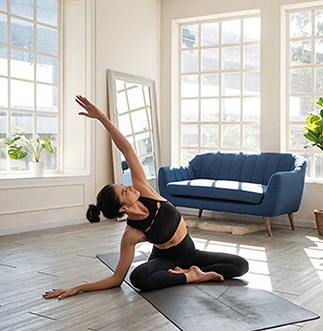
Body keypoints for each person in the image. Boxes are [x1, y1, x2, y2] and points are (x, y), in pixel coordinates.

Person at [42, 95, 249, 300]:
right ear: (123, 208)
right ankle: (190, 276)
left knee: (240, 265)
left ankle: (186, 273)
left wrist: (101, 117)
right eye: (124, 191)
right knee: (139, 277)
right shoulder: (131, 234)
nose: (129, 187)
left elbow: (126, 148)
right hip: (165, 260)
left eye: (124, 185)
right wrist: (80, 287)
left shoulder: (143, 189)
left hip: (190, 253)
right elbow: (116, 278)